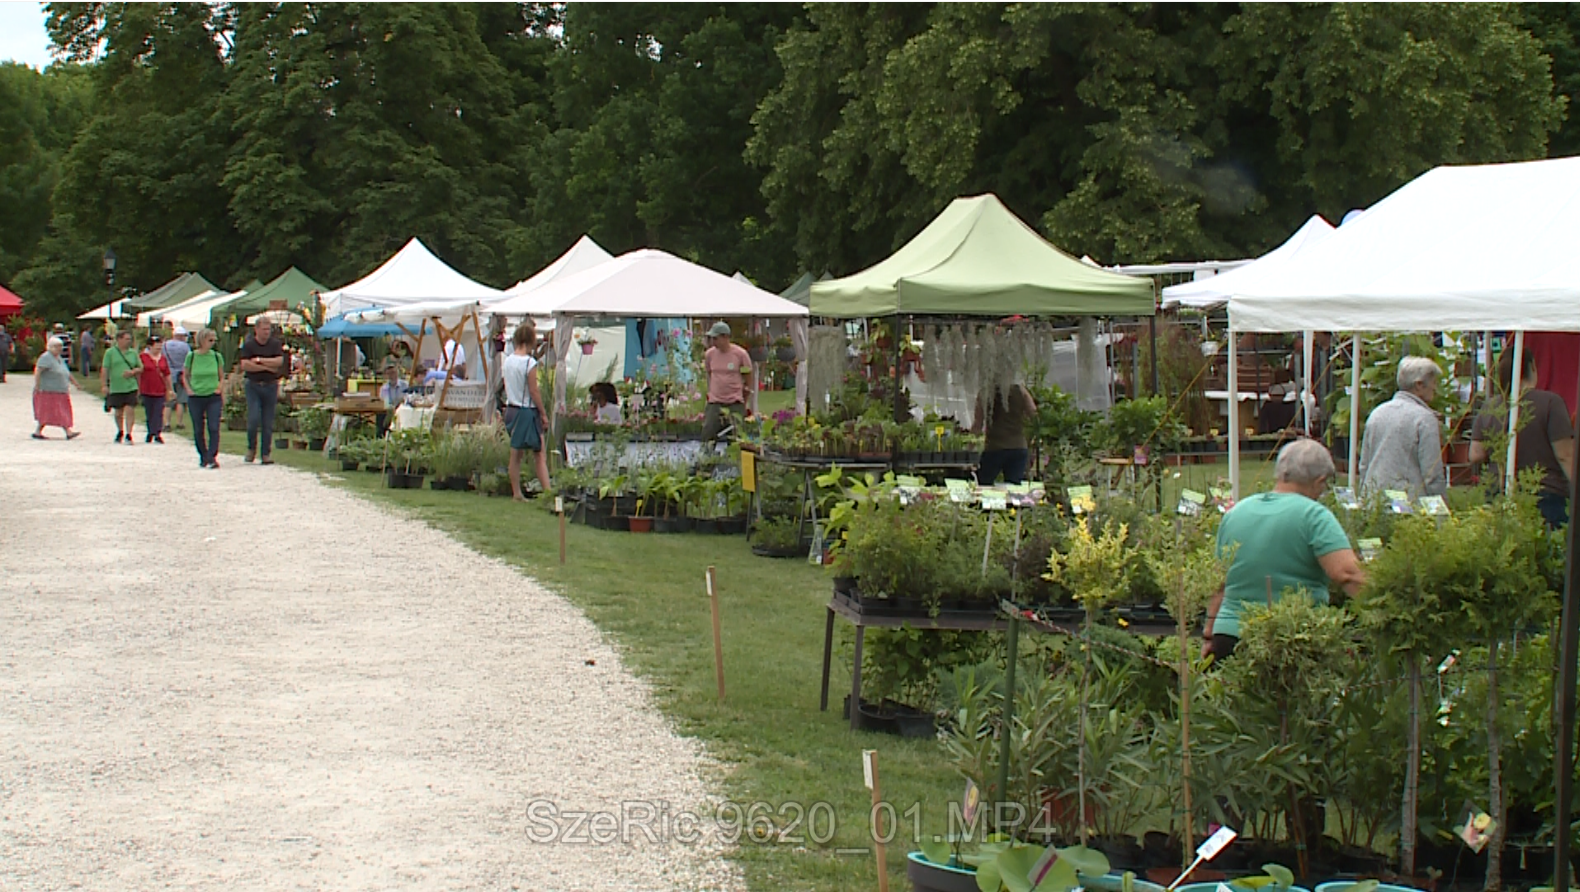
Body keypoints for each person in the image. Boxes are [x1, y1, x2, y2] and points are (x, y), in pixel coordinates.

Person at [1203, 439, 1366, 661]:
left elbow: (1219, 583)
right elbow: (1347, 573)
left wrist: (1209, 633)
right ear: (1319, 481)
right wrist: (1381, 608)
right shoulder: (1315, 516)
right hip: (1291, 638)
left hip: (1231, 635)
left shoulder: (1235, 514)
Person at [1471, 347, 1575, 528]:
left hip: (1497, 491)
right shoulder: (1551, 402)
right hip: (1544, 493)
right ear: (1532, 367)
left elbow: (1475, 454)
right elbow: (1565, 454)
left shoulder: (1491, 406)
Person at [1358, 356, 1447, 498]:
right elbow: (1432, 474)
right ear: (1419, 385)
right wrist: (1442, 510)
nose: (1435, 388)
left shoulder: (1377, 413)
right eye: (1433, 382)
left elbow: (1364, 466)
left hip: (1374, 500)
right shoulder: (1424, 419)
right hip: (1406, 505)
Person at [503, 321, 552, 501]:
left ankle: (516, 492)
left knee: (516, 453)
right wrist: (543, 413)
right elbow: (533, 390)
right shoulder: (529, 363)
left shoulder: (508, 361)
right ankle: (548, 492)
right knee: (539, 453)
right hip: (526, 410)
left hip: (512, 409)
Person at [238, 316, 287, 464]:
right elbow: (245, 365)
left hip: (270, 385)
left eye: (269, 329)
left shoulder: (275, 344)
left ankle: (265, 453)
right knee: (253, 418)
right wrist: (268, 367)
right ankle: (251, 448)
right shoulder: (249, 345)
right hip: (253, 384)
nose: (267, 332)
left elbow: (279, 362)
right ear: (257, 329)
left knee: (268, 421)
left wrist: (259, 360)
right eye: (264, 329)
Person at [976, 384, 1038, 484]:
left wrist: (969, 448)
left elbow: (978, 424)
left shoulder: (985, 392)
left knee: (983, 484)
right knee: (1014, 488)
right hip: (1018, 446)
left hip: (995, 446)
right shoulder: (1021, 390)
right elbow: (1034, 415)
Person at [701, 321, 753, 441]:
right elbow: (710, 372)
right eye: (712, 339)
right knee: (708, 432)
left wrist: (745, 397)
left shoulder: (740, 354)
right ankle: (707, 457)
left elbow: (748, 377)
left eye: (716, 338)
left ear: (725, 337)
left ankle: (734, 458)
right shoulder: (709, 355)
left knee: (736, 434)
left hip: (734, 401)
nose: (713, 342)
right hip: (715, 401)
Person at [184, 328, 226, 469]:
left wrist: (219, 388)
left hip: (213, 395)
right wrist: (189, 389)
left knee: (214, 426)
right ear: (201, 340)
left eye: (214, 340)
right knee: (198, 428)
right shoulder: (192, 356)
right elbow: (185, 375)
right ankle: (203, 454)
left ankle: (212, 456)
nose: (213, 343)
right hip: (196, 396)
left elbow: (221, 375)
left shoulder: (216, 356)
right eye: (210, 340)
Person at [31, 337, 84, 440]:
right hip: (48, 391)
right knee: (53, 411)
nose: (60, 348)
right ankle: (68, 432)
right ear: (50, 347)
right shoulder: (46, 357)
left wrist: (76, 384)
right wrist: (37, 385)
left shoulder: (59, 358)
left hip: (60, 391)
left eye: (60, 346)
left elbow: (66, 373)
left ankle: (38, 431)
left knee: (59, 411)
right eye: (57, 346)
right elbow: (38, 371)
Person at [100, 329, 142, 444]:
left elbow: (140, 367)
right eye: (126, 339)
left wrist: (133, 372)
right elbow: (105, 369)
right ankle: (120, 430)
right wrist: (104, 384)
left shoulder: (133, 353)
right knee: (118, 412)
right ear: (119, 339)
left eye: (130, 339)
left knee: (130, 409)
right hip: (116, 386)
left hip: (131, 386)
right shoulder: (110, 353)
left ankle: (129, 433)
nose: (129, 341)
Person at [138, 334, 171, 443]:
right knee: (149, 412)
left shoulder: (163, 358)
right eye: (156, 347)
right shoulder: (143, 357)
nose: (158, 349)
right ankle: (150, 431)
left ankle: (157, 433)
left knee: (158, 411)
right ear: (150, 347)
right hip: (147, 388)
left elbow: (167, 373)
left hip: (160, 389)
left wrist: (169, 388)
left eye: (160, 347)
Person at [163, 326, 191, 430]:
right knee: (180, 400)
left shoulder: (165, 345)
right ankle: (179, 422)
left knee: (168, 401)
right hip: (181, 374)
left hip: (168, 374)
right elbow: (188, 360)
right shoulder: (185, 347)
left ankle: (167, 423)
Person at [376, 361, 406, 437]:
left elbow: (406, 398)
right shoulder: (384, 388)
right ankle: (381, 435)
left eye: (393, 373)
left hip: (401, 409)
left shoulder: (405, 385)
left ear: (397, 373)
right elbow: (383, 402)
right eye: (389, 374)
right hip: (389, 410)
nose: (391, 376)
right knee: (381, 414)